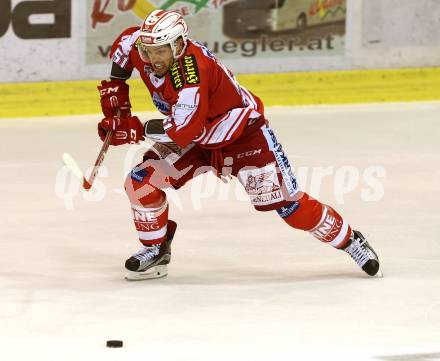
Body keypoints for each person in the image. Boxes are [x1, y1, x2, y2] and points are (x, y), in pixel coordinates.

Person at [97, 9, 382, 280]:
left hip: (242, 137)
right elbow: (125, 46)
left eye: (161, 51)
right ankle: (156, 249)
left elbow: (183, 130)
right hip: (199, 140)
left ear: (179, 45)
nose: (153, 58)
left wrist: (132, 128)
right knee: (140, 182)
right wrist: (116, 91)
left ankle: (350, 241)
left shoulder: (193, 72)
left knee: (289, 207)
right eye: (148, 51)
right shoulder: (140, 45)